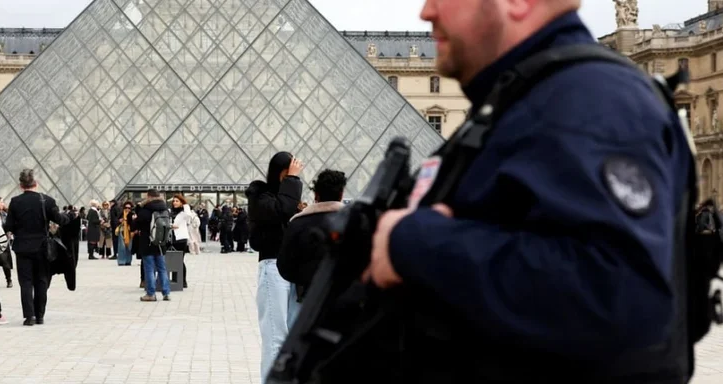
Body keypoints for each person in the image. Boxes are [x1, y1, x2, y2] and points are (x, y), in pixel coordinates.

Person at [361, 0, 694, 382]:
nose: (427, 12)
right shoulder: (527, 99)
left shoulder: (592, 100)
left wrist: (415, 241)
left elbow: (620, 297)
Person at [245, 152, 304, 382]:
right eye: (290, 171)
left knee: (290, 337)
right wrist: (293, 180)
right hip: (273, 268)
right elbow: (282, 210)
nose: (295, 174)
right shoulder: (259, 195)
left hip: (291, 269)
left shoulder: (282, 195)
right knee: (274, 337)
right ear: (282, 171)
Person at [3, 169, 69, 326]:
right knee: (41, 281)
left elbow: (9, 226)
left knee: (25, 282)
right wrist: (69, 217)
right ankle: (40, 315)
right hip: (42, 247)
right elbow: (60, 219)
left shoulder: (15, 201)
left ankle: (29, 316)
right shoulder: (47, 200)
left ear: (21, 185)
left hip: (22, 248)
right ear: (36, 183)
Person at [277, 169, 346, 312]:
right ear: (341, 194)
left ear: (316, 195)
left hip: (309, 299)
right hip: (346, 299)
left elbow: (284, 266)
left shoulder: (297, 223)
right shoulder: (356, 222)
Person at [132, 189, 171, 302]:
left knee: (149, 269)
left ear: (148, 196)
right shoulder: (165, 208)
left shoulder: (146, 209)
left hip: (147, 242)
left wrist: (137, 212)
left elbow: (135, 225)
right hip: (160, 243)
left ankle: (151, 294)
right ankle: (166, 293)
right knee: (162, 269)